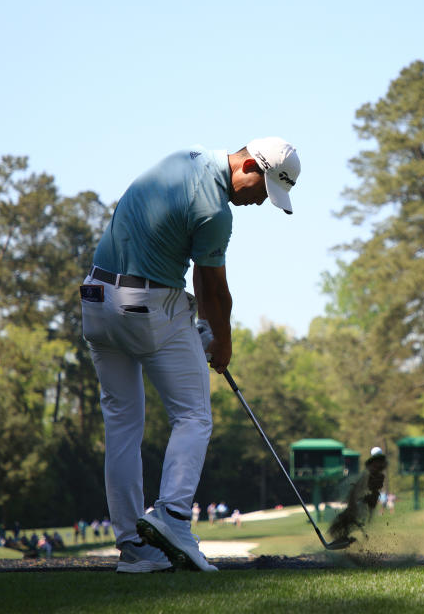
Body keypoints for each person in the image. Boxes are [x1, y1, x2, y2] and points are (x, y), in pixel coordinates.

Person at [80, 137, 302, 574]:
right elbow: (214, 290)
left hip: (95, 299)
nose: (259, 203)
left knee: (123, 426)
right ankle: (174, 517)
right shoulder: (217, 212)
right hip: (143, 306)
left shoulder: (184, 158)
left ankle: (134, 548)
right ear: (249, 168)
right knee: (194, 415)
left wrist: (192, 321)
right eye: (263, 191)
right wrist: (222, 342)